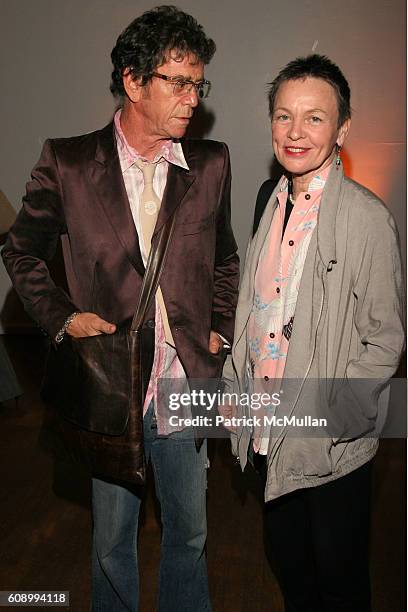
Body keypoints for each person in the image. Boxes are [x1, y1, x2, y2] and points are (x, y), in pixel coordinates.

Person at [2, 6, 239, 611]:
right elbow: (21, 248)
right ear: (133, 82)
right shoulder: (70, 163)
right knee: (112, 541)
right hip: (111, 386)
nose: (192, 97)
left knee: (190, 532)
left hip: (186, 384)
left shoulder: (210, 165)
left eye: (197, 83)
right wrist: (60, 316)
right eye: (178, 81)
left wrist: (218, 329)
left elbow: (225, 258)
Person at [223, 54, 404, 612]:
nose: (295, 132)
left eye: (314, 118)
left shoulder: (366, 217)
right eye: (283, 116)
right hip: (270, 434)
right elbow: (257, 309)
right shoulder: (267, 200)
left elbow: (384, 339)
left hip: (329, 443)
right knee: (292, 570)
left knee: (341, 583)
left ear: (342, 128)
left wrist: (333, 422)